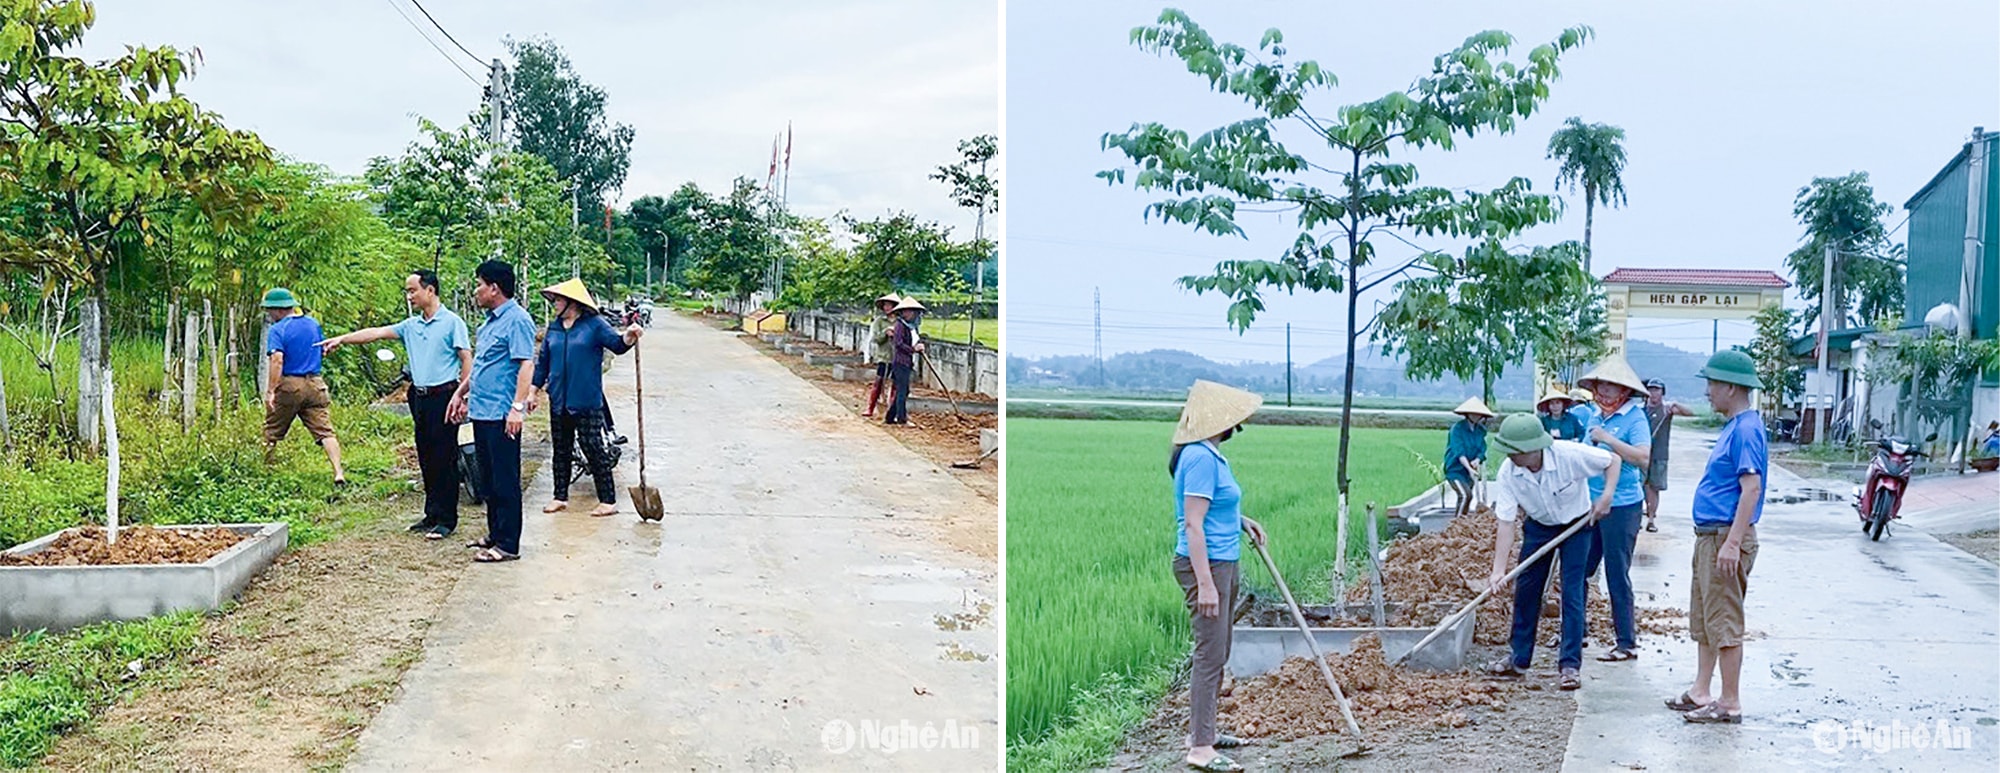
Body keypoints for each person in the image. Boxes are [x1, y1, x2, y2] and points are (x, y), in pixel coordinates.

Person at [317, 270, 472, 539]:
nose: (409, 296)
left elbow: (466, 358)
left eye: (413, 290)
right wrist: (342, 338)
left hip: (444, 395)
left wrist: (464, 394)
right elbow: (376, 333)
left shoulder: (451, 322)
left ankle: (447, 518)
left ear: (430, 291)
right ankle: (431, 513)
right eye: (408, 291)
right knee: (425, 454)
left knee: (444, 456)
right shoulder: (411, 326)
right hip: (419, 396)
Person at [1169, 380, 1268, 773]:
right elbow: (1192, 524)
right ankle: (1200, 749)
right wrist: (1206, 582)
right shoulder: (1199, 458)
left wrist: (1242, 521)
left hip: (1224, 560)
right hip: (1207, 566)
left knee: (1219, 650)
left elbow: (1212, 509)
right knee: (1209, 653)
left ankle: (1203, 729)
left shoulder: (1211, 456)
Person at [1485, 414, 1620, 691]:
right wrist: (1499, 570)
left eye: (1515, 451)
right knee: (1526, 589)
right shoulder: (1509, 473)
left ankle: (1570, 665)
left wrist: (1606, 496)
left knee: (1572, 591)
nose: (1510, 456)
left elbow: (1613, 461)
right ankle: (1519, 658)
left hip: (1577, 525)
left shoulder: (1568, 455)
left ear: (1533, 448)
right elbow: (1506, 523)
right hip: (1539, 526)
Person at [1670, 350, 1767, 724]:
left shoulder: (1745, 429)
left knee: (1724, 620)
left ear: (1730, 386)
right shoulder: (1734, 425)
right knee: (1707, 617)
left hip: (1724, 537)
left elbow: (1751, 488)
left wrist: (1732, 542)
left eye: (1712, 384)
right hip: (1710, 536)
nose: (1708, 391)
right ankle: (1701, 690)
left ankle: (1729, 702)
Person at [448, 260, 538, 563]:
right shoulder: (488, 323)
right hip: (482, 410)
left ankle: (508, 544)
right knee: (487, 477)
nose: (476, 291)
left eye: (479, 285)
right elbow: (482, 366)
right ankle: (495, 533)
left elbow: (526, 364)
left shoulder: (517, 320)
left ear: (494, 288)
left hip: (502, 413)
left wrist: (517, 408)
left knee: (505, 479)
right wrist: (460, 393)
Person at [529, 278, 641, 517]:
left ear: (573, 302)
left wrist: (630, 336)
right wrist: (534, 390)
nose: (555, 304)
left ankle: (608, 501)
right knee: (561, 449)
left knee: (593, 448)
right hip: (559, 399)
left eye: (558, 300)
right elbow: (543, 363)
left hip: (586, 400)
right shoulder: (555, 328)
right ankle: (560, 496)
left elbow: (617, 345)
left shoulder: (594, 325)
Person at [1570, 355, 1653, 663]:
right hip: (1588, 503)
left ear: (1624, 392)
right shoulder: (1594, 416)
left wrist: (1607, 439)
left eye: (1610, 388)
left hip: (1622, 506)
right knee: (1578, 571)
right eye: (1600, 387)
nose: (1603, 394)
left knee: (1617, 574)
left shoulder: (1635, 419)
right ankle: (1576, 632)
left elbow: (1642, 458)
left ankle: (1626, 642)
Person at [259, 287, 346, 485]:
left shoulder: (278, 329)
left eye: (269, 311)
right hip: (316, 383)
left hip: (291, 384)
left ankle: (263, 469)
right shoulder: (313, 324)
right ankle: (338, 472)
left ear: (279, 310)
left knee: (271, 430)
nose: (269, 315)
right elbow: (322, 349)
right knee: (325, 431)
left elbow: (277, 360)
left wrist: (271, 390)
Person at [1642, 378, 1696, 534]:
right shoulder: (1641, 410)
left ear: (1662, 392)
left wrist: (1675, 404)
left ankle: (1651, 519)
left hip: (1659, 453)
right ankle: (1642, 514)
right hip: (1642, 453)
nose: (1653, 393)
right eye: (1651, 390)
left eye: (1657, 390)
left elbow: (1690, 413)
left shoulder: (1666, 410)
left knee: (1654, 487)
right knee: (1641, 486)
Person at [1443, 398, 1495, 517]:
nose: (1476, 416)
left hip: (1471, 470)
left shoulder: (1480, 430)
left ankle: (1464, 522)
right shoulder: (1457, 429)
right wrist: (1469, 468)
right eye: (1473, 413)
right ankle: (1457, 524)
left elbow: (1482, 449)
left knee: (1468, 498)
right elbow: (1459, 451)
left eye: (1478, 413)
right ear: (1467, 413)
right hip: (1455, 469)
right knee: (1465, 495)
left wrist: (1477, 460)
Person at [884, 297, 927, 426]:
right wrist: (912, 349)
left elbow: (915, 341)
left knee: (904, 390)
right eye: (906, 311)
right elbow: (898, 344)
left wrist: (919, 346)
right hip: (900, 362)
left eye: (910, 311)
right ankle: (902, 419)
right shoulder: (900, 325)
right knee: (903, 390)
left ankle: (890, 417)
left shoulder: (912, 327)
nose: (908, 314)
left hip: (907, 362)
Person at [863, 293, 899, 418]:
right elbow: (877, 339)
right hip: (883, 357)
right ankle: (870, 408)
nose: (886, 307)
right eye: (885, 305)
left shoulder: (901, 322)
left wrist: (895, 335)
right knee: (879, 382)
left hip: (897, 357)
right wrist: (885, 333)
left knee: (895, 384)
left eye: (889, 305)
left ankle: (890, 410)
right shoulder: (879, 321)